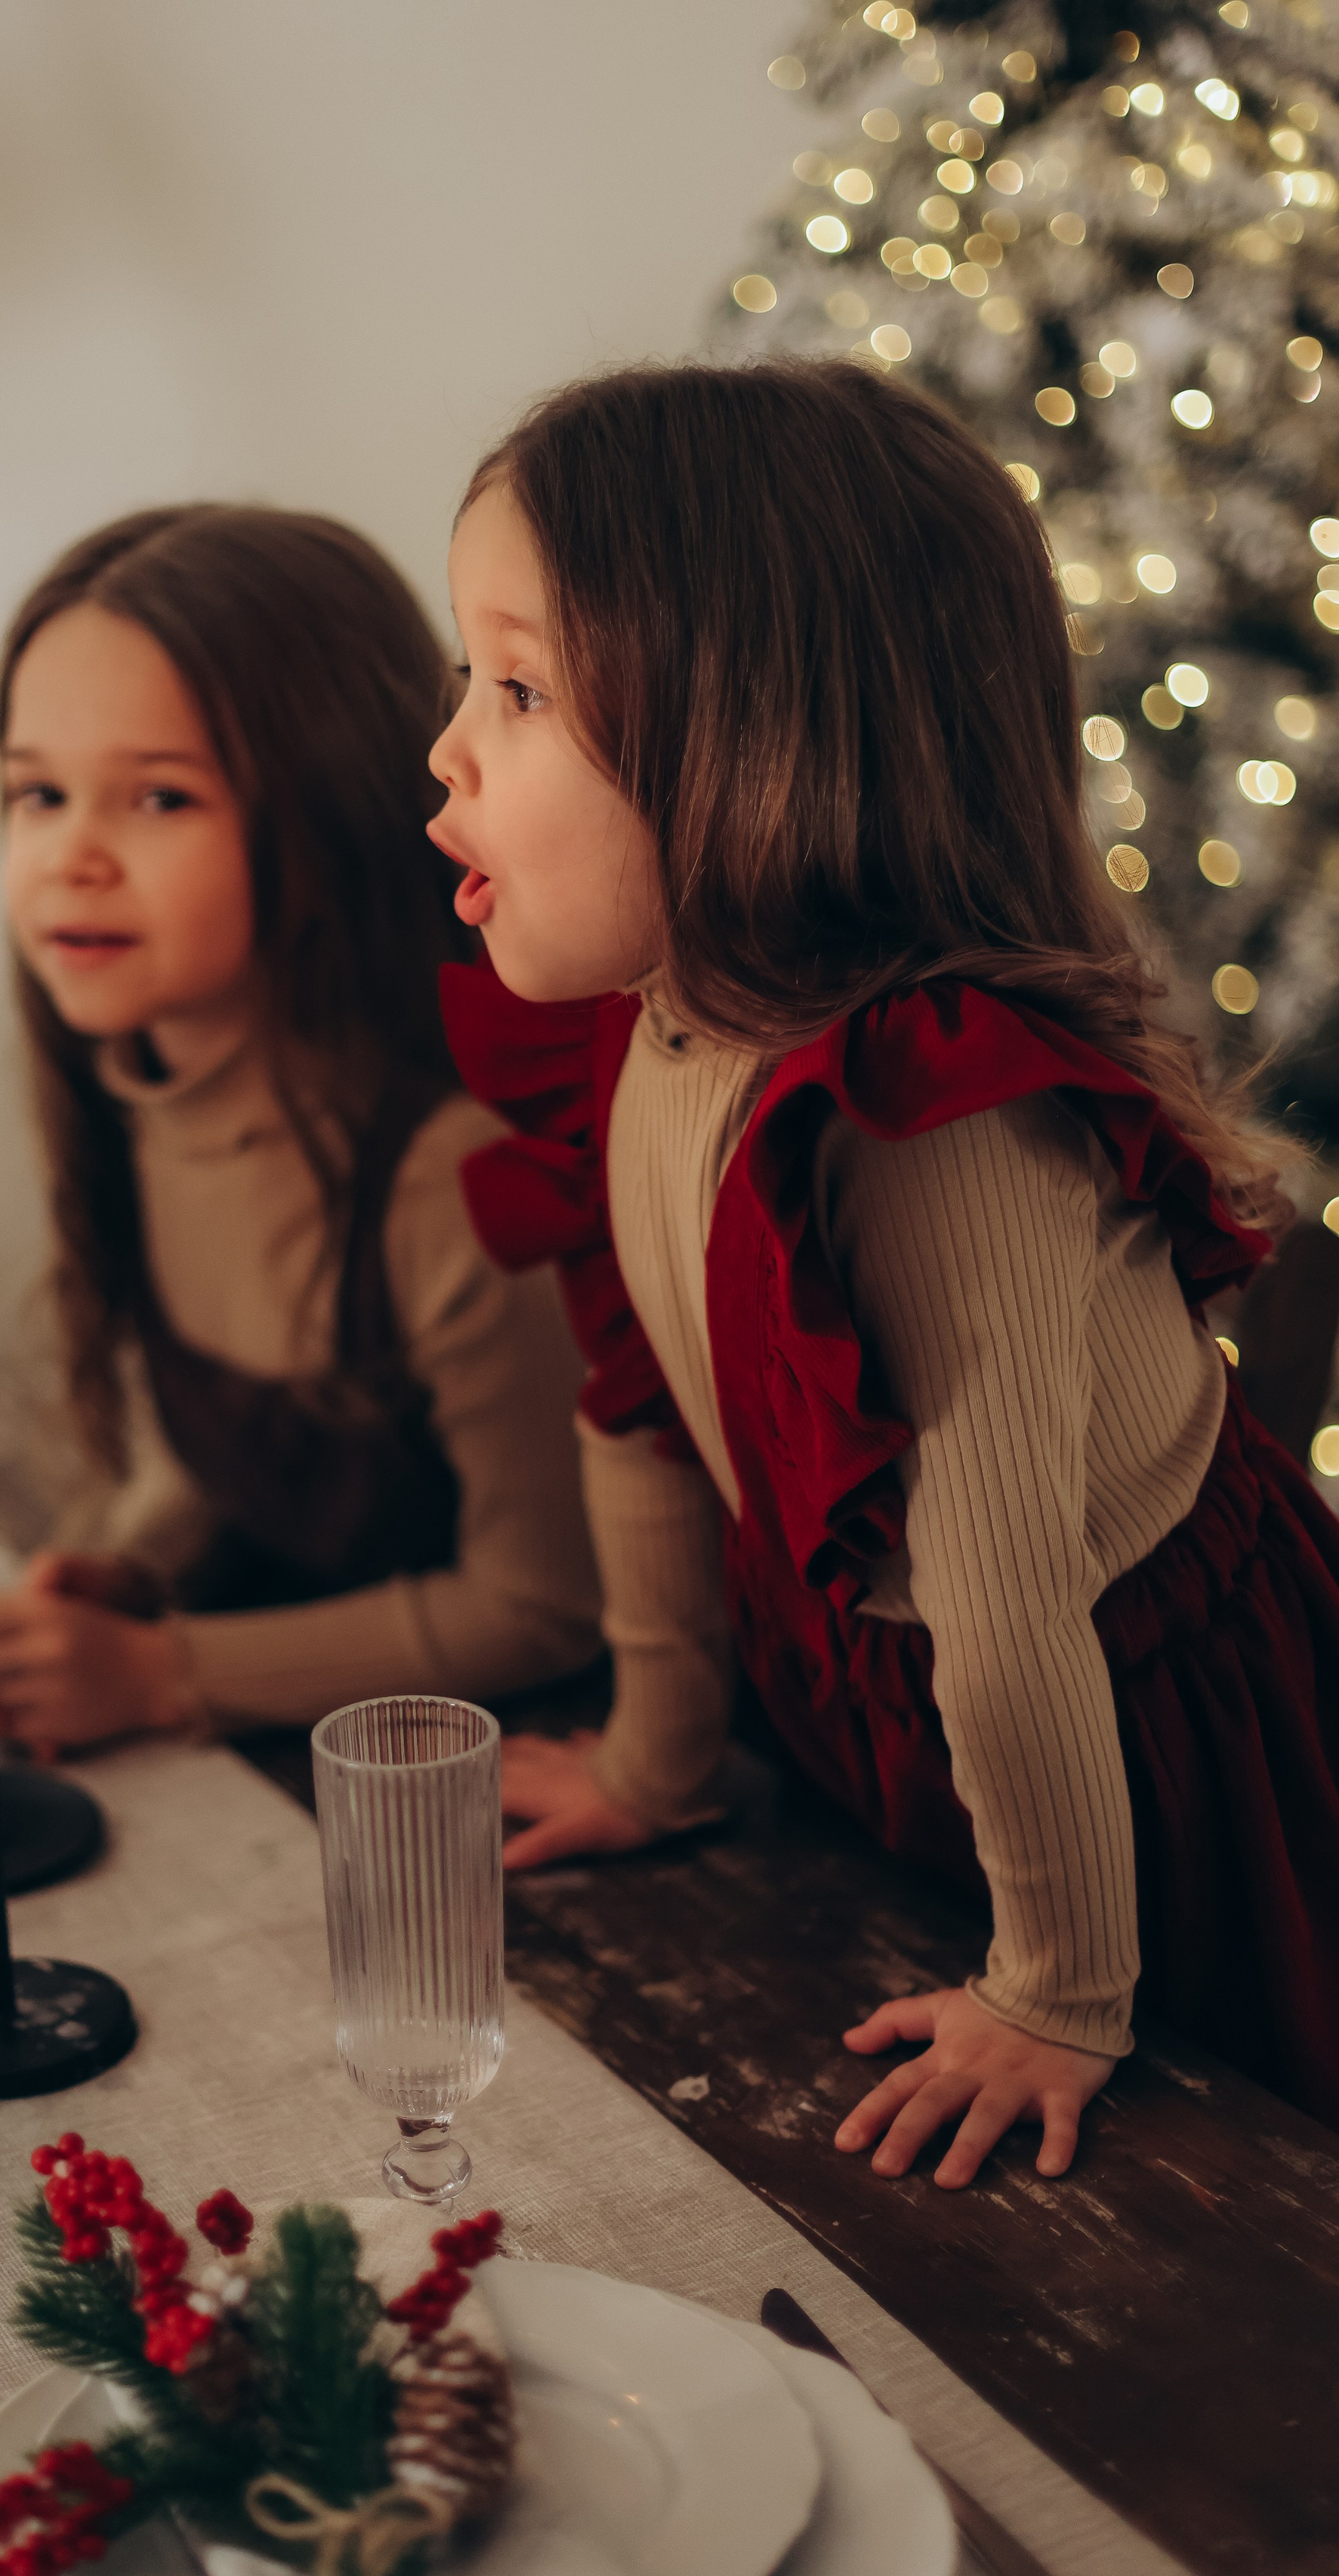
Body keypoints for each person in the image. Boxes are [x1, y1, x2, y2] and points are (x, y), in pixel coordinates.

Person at [428, 359, 1339, 2182]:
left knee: (1252, 2159)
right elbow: (646, 1410)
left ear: (756, 743)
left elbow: (1008, 1612)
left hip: (1160, 1746)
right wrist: (654, 1751)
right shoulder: (654, 1027)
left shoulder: (933, 1120)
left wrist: (1058, 1986)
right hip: (945, 1743)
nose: (448, 747)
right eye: (474, 675)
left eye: (518, 689)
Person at [0, 502, 601, 1751]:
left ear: (324, 812)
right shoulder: (134, 1094)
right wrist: (138, 1578)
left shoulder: (451, 1180)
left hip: (497, 1780)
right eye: (38, 794)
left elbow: (545, 1605)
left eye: (158, 799)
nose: (72, 858)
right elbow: (240, 1471)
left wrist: (166, 1671)